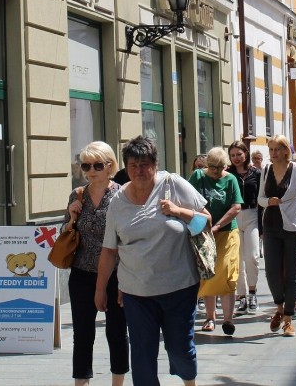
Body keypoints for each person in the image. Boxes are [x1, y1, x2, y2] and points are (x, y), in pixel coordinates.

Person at [96, 136, 212, 386]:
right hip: (136, 292)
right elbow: (109, 250)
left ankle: (188, 382)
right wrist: (101, 289)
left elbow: (206, 220)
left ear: (155, 165)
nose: (140, 170)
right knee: (142, 355)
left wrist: (177, 211)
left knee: (180, 349)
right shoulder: (117, 202)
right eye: (134, 165)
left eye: (145, 164)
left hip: (179, 287)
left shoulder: (173, 185)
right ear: (126, 168)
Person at [63, 142, 129, 386]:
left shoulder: (122, 194)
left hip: (116, 274)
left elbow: (129, 236)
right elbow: (65, 234)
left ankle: (117, 382)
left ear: (109, 166)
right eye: (86, 165)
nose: (91, 170)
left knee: (116, 332)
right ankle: (81, 382)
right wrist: (71, 217)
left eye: (97, 165)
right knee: (82, 333)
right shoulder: (77, 194)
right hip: (82, 272)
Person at [257, 134, 296, 337]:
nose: (273, 153)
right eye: (270, 150)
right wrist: (268, 202)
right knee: (271, 271)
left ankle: (288, 319)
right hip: (271, 226)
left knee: (291, 273)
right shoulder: (266, 170)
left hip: (294, 227)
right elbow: (260, 199)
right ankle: (279, 307)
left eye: (276, 149)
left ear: (285, 150)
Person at [190, 147, 243, 336]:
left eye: (219, 167)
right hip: (204, 232)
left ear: (225, 166)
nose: (215, 171)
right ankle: (210, 317)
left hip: (227, 231)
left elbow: (236, 207)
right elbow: (187, 199)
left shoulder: (231, 179)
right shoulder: (198, 176)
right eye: (212, 167)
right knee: (208, 272)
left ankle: (228, 319)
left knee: (228, 271)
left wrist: (218, 225)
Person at [228, 141, 262, 315]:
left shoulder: (256, 173)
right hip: (234, 218)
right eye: (233, 155)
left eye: (239, 154)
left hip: (252, 216)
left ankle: (253, 292)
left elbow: (262, 197)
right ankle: (241, 296)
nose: (236, 158)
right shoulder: (227, 173)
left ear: (246, 154)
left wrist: (263, 225)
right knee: (238, 260)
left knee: (252, 256)